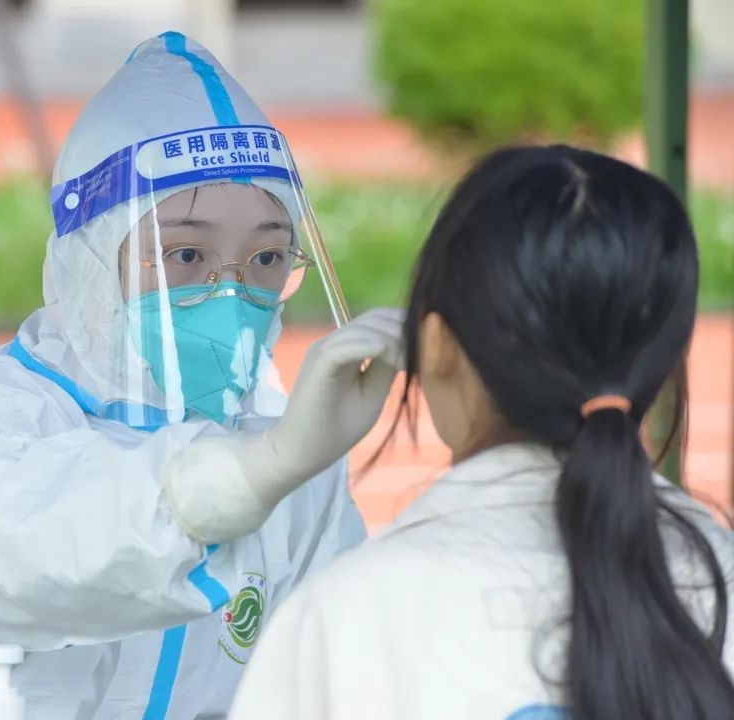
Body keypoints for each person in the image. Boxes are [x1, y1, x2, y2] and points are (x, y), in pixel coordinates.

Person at [0, 32, 403, 720]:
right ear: (91, 259)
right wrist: (244, 478)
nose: (231, 291)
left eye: (268, 259)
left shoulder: (287, 455)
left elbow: (334, 677)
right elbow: (10, 546)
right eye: (185, 254)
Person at [227, 145, 734, 720]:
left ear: (439, 346)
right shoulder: (719, 574)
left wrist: (267, 463)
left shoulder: (347, 618)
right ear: (664, 362)